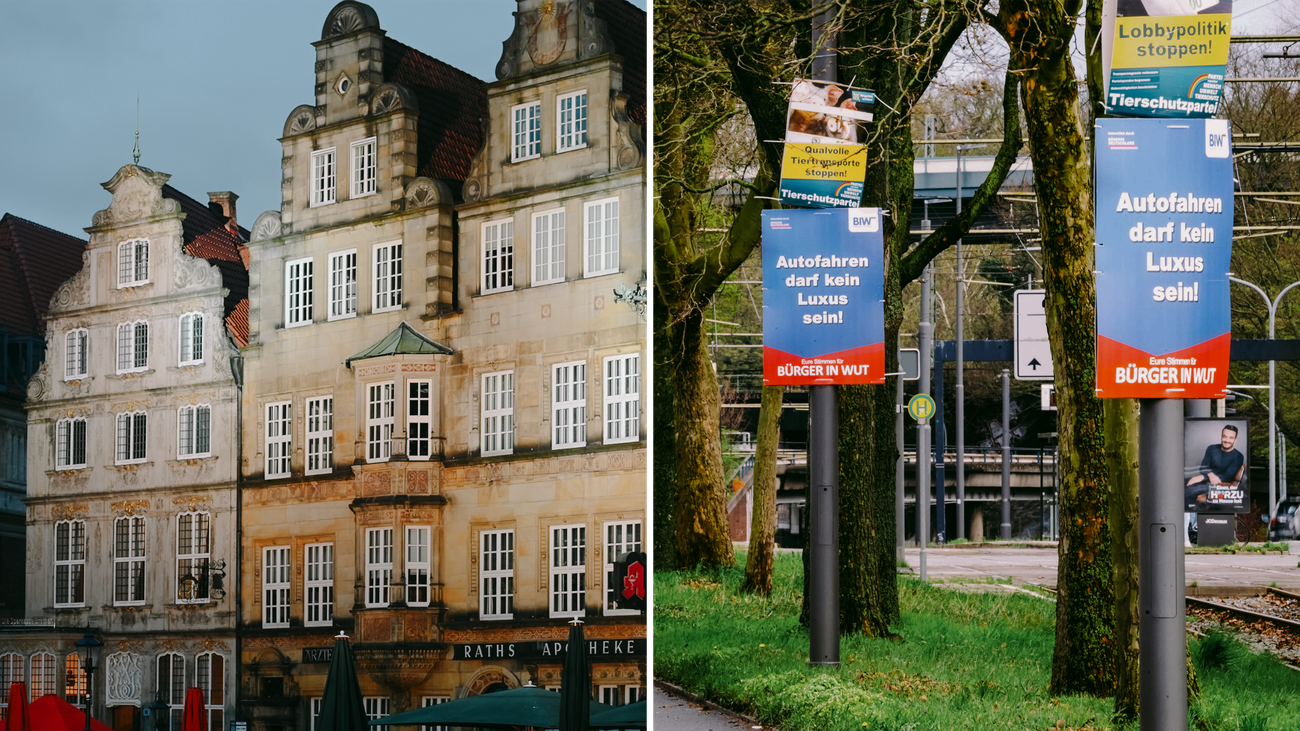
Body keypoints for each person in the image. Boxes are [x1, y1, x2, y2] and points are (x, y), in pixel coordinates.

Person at [1185, 425, 1245, 509]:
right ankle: (1186, 515)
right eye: (1225, 437)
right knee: (1184, 481)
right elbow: (1203, 467)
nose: (1227, 440)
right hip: (1207, 481)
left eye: (1231, 438)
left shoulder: (1238, 456)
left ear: (1235, 439)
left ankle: (1191, 515)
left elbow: (1227, 476)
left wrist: (1203, 477)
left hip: (1220, 485)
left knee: (1190, 490)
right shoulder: (1211, 448)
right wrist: (1209, 474)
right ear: (1221, 437)